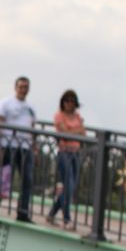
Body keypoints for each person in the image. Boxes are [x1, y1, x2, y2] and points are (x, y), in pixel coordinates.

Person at [0, 76, 37, 221]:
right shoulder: (6, 103)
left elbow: (32, 129)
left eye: (26, 87)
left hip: (25, 147)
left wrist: (35, 147)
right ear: (15, 87)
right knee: (4, 176)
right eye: (21, 87)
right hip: (8, 145)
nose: (23, 90)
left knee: (27, 180)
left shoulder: (31, 108)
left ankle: (23, 211)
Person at [46, 89, 85, 226]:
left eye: (72, 101)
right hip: (64, 153)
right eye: (67, 101)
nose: (70, 103)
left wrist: (72, 132)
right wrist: (76, 131)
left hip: (76, 152)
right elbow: (64, 132)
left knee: (71, 187)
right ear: (63, 102)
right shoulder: (59, 116)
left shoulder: (78, 116)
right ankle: (67, 218)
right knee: (67, 186)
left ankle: (52, 214)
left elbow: (83, 133)